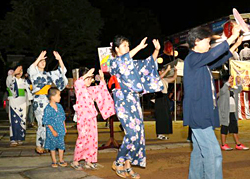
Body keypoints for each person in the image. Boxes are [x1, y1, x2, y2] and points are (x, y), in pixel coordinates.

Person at [183, 24, 242, 179]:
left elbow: (216, 58)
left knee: (199, 152)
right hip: (199, 115)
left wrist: (235, 45)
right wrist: (232, 37)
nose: (209, 45)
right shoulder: (193, 59)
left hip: (202, 114)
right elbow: (213, 54)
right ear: (197, 41)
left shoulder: (200, 64)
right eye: (207, 41)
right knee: (213, 154)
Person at [109, 35, 163, 179]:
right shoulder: (114, 62)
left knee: (138, 134)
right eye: (124, 45)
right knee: (131, 133)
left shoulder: (131, 63)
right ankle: (118, 161)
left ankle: (128, 165)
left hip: (133, 100)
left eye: (128, 45)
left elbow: (148, 64)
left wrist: (156, 50)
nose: (127, 48)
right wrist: (138, 47)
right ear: (116, 49)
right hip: (122, 100)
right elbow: (123, 61)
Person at [71, 67, 115, 170]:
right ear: (82, 78)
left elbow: (102, 89)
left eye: (91, 78)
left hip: (92, 116)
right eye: (88, 78)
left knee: (92, 139)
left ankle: (89, 160)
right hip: (83, 117)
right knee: (82, 138)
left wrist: (103, 79)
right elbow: (78, 82)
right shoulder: (79, 87)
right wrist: (85, 75)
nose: (90, 80)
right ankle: (76, 161)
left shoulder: (91, 89)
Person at [27, 51, 68, 154]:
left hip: (48, 100)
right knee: (42, 123)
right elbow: (30, 69)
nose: (43, 62)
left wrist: (60, 60)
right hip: (39, 101)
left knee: (51, 122)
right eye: (41, 61)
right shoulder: (34, 73)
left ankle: (48, 145)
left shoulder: (48, 74)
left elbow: (62, 72)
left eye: (44, 61)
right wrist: (39, 57)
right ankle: (39, 145)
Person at [218, 76, 249, 151]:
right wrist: (228, 81)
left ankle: (238, 144)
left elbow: (239, 89)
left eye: (232, 81)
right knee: (224, 127)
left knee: (235, 128)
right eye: (230, 81)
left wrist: (238, 82)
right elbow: (224, 89)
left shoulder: (233, 90)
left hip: (232, 112)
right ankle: (223, 144)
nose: (232, 82)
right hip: (225, 112)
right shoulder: (223, 90)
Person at [6, 66, 32, 146]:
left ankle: (20, 138)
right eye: (19, 70)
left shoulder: (24, 81)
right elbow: (9, 84)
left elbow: (30, 88)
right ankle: (13, 139)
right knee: (14, 120)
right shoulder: (10, 78)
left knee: (22, 121)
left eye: (21, 71)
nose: (20, 72)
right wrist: (13, 74)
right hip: (14, 102)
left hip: (23, 103)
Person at [43, 87, 67, 168]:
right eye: (58, 95)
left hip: (60, 129)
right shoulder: (48, 108)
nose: (60, 97)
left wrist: (64, 127)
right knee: (52, 146)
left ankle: (61, 160)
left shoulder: (59, 106)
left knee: (61, 145)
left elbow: (63, 117)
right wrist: (52, 130)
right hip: (52, 130)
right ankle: (54, 160)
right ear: (52, 97)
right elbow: (47, 121)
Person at [155, 65, 177, 140]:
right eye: (163, 71)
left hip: (165, 98)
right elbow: (160, 77)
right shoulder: (157, 78)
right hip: (159, 98)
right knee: (160, 116)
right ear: (160, 72)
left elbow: (174, 78)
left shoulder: (164, 79)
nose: (165, 72)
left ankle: (162, 133)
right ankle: (159, 133)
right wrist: (167, 69)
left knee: (166, 116)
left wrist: (176, 71)